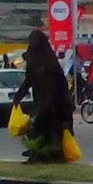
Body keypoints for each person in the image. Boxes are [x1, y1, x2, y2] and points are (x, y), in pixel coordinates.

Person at [12, 30, 73, 162]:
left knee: (49, 127)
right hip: (40, 99)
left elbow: (55, 85)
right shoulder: (33, 60)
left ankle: (52, 155)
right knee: (37, 127)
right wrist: (18, 96)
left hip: (55, 102)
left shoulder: (49, 62)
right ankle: (37, 154)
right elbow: (28, 80)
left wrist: (45, 106)